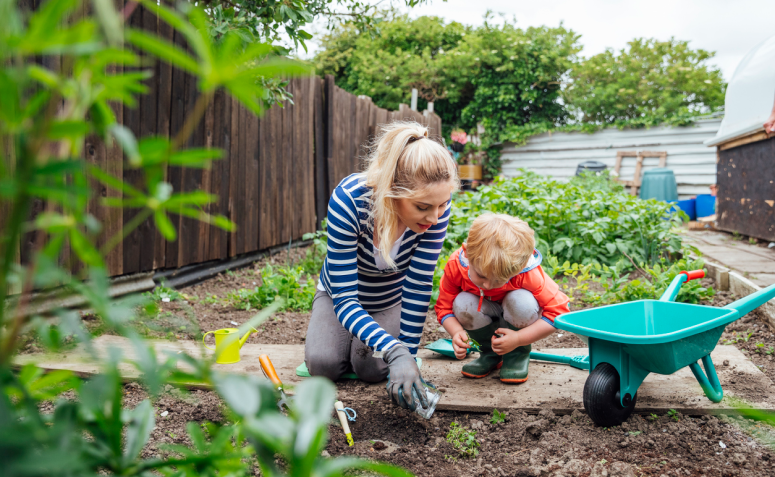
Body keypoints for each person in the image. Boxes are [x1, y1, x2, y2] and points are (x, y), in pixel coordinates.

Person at [305, 121, 459, 410]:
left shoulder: (436, 207)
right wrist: (394, 349)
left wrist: (408, 357)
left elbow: (417, 287)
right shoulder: (349, 200)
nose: (435, 218)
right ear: (392, 191)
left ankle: (363, 343)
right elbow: (346, 300)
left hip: (389, 299)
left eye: (442, 205)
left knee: (372, 369)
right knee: (322, 365)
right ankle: (346, 337)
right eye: (423, 207)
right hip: (341, 296)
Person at [434, 213, 570, 383]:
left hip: (515, 318)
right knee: (462, 303)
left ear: (520, 265)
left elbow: (558, 313)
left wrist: (518, 339)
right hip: (485, 314)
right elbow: (444, 308)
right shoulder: (456, 265)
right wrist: (457, 333)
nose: (488, 286)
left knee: (521, 302)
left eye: (499, 280)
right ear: (467, 252)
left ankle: (516, 356)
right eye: (481, 276)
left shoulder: (527, 273)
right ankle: (489, 354)